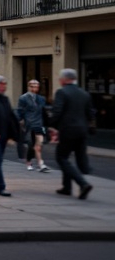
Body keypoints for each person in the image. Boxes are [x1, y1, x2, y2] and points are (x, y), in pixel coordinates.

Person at [49, 68, 94, 200]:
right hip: (82, 131)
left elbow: (57, 111)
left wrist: (51, 125)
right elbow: (91, 113)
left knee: (61, 157)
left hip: (68, 131)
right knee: (72, 159)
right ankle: (66, 187)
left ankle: (83, 183)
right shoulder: (84, 93)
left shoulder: (62, 92)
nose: (59, 81)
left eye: (60, 79)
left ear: (64, 80)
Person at [17, 79, 50, 173]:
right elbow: (20, 110)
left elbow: (43, 111)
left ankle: (41, 164)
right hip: (29, 123)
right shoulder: (23, 98)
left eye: (36, 86)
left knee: (39, 144)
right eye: (32, 86)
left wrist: (48, 123)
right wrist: (20, 120)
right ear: (28, 87)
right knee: (31, 144)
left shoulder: (41, 98)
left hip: (39, 123)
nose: (34, 88)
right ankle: (29, 162)